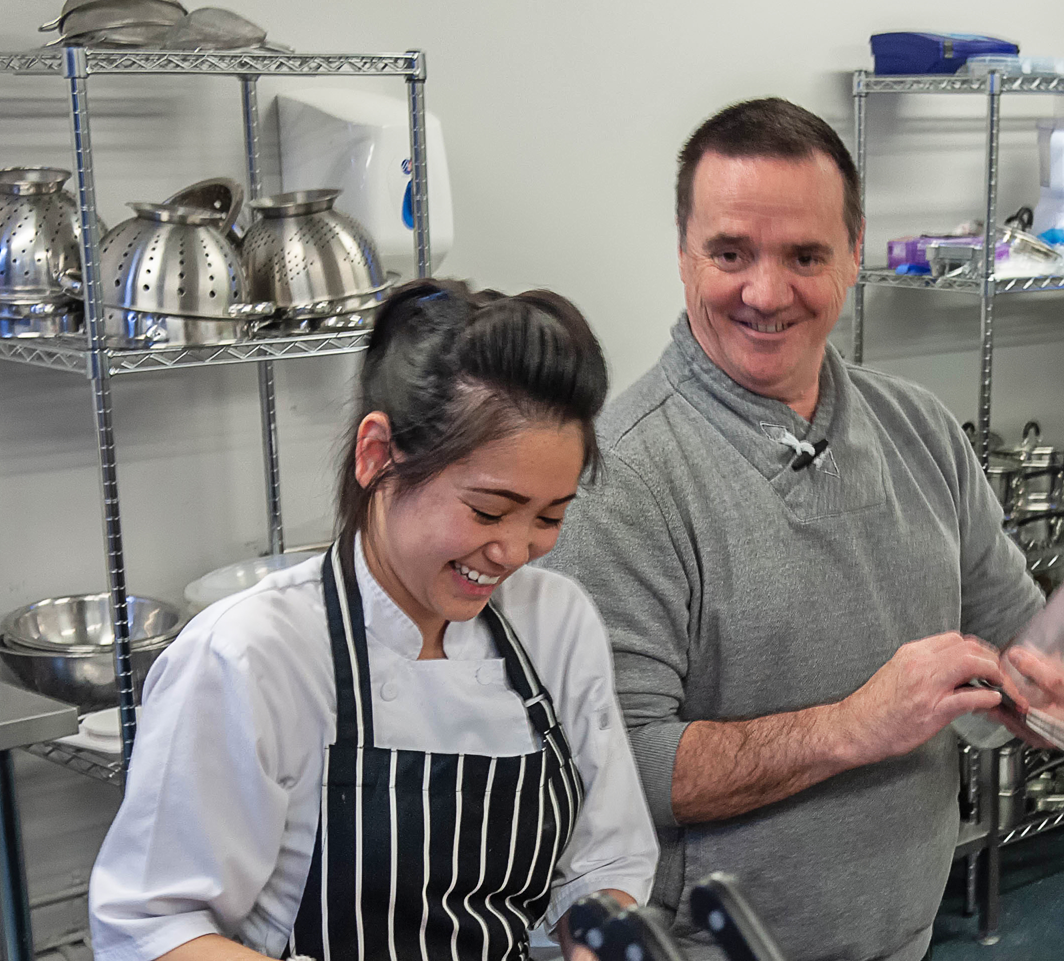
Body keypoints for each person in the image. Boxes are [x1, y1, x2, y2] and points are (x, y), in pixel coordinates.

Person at [546, 98, 1064, 961]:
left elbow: (1016, 647)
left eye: (805, 255)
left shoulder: (919, 430)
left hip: (903, 935)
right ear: (682, 255)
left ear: (855, 255)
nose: (766, 292)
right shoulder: (621, 477)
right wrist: (854, 725)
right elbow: (622, 764)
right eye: (730, 253)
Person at [89, 281, 657, 961]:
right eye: (486, 510)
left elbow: (604, 866)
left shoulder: (556, 626)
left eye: (549, 517)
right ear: (377, 456)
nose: (513, 550)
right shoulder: (250, 655)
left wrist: (597, 942)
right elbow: (151, 929)